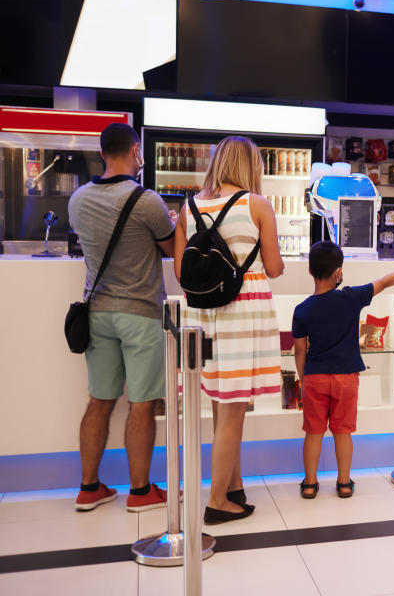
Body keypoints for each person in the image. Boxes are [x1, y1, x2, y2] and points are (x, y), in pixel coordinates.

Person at [173, 136, 285, 524]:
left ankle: (233, 486)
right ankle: (217, 500)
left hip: (201, 315)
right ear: (250, 166)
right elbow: (273, 267)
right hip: (242, 313)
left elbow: (180, 271)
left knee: (223, 405)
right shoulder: (257, 205)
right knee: (235, 409)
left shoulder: (188, 206)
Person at [68, 123, 175, 512]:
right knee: (142, 403)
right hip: (140, 312)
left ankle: (88, 487)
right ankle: (141, 491)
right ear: (135, 150)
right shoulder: (146, 200)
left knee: (99, 400)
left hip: (97, 313)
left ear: (102, 152)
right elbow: (169, 248)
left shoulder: (78, 199)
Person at [292, 242, 394, 499]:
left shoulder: (301, 310)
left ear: (310, 271)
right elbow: (386, 282)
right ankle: (344, 483)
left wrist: (304, 378)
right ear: (338, 272)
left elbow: (300, 351)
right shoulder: (350, 297)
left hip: (315, 379)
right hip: (346, 379)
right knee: (343, 432)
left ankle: (309, 484)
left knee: (313, 433)